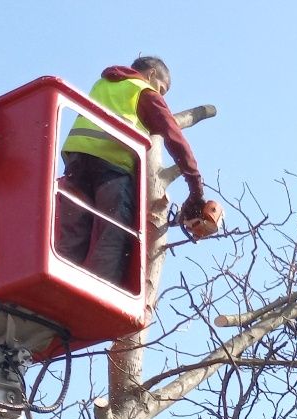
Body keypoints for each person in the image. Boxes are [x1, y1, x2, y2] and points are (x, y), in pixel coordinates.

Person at [55, 56, 213, 290]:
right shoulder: (143, 91)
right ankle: (100, 294)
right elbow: (174, 136)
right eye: (162, 88)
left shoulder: (103, 84)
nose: (161, 95)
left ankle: (58, 288)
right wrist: (196, 187)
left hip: (77, 161)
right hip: (112, 164)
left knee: (74, 231)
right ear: (150, 75)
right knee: (114, 231)